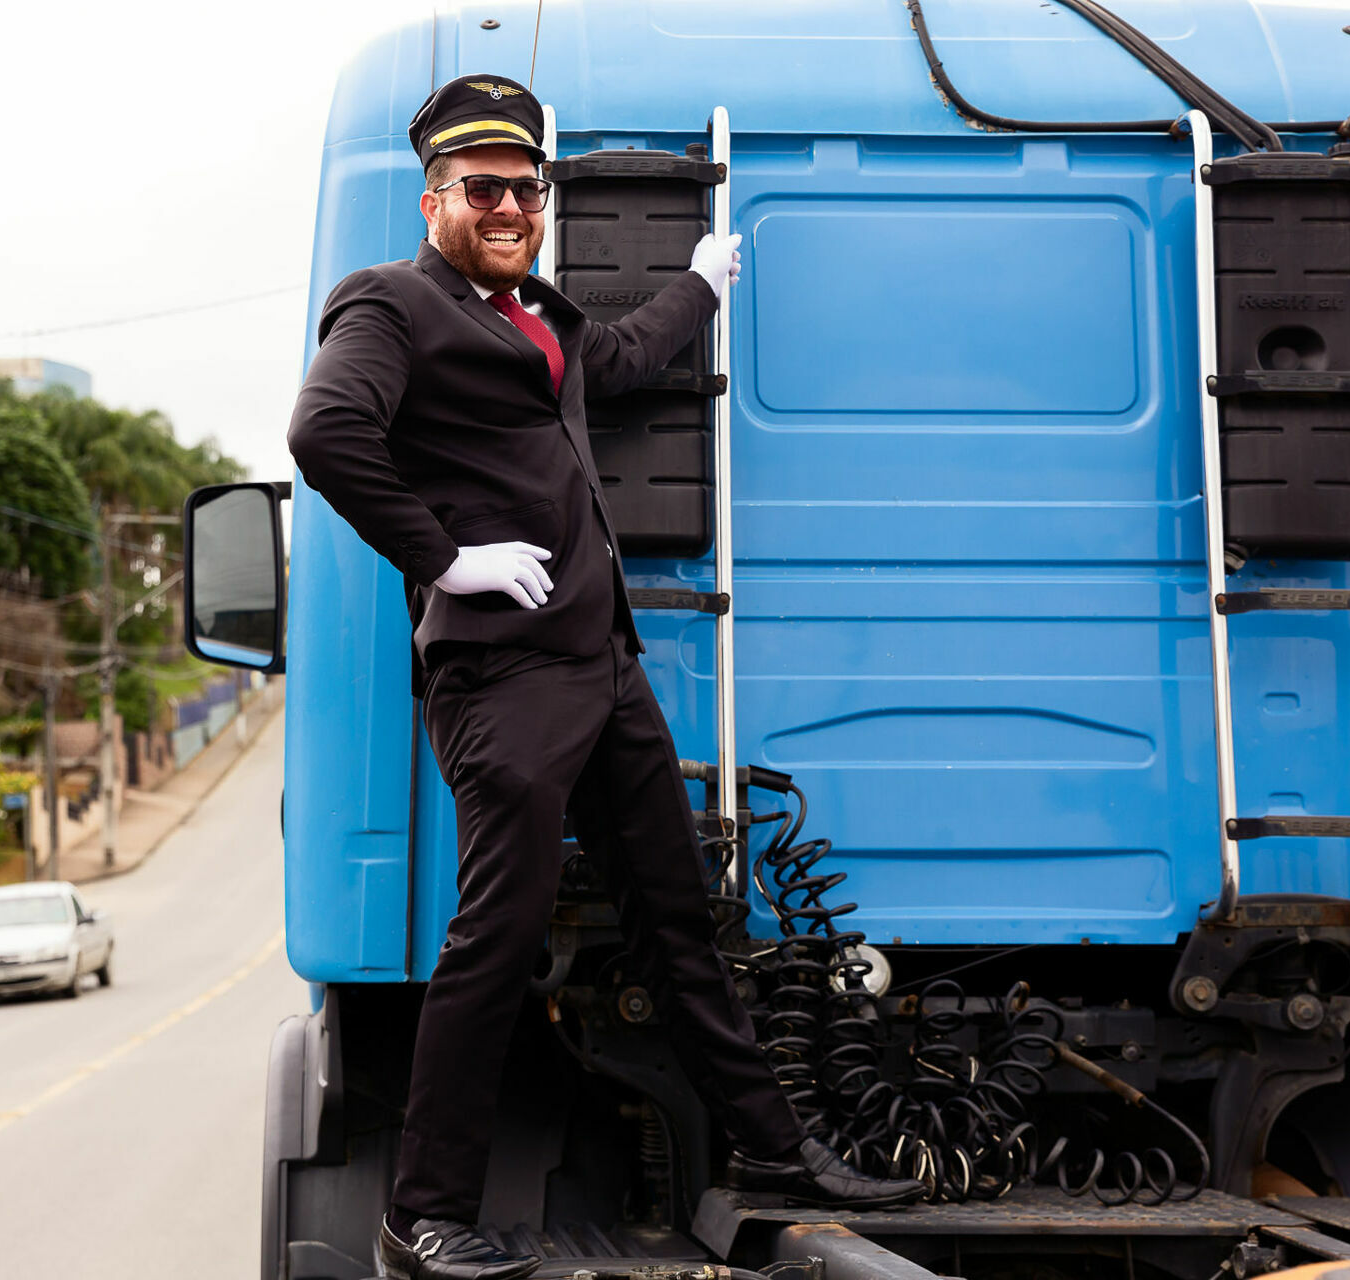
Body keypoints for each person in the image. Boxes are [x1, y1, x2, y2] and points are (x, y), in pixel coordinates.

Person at [287, 72, 925, 1280]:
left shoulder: (543, 319)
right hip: (504, 675)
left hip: (604, 664)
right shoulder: (388, 305)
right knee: (499, 931)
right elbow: (325, 432)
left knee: (680, 921)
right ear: (434, 200)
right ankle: (422, 1216)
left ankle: (776, 1153)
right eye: (484, 188)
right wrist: (447, 559)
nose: (512, 205)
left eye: (528, 187)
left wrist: (704, 279)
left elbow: (626, 358)